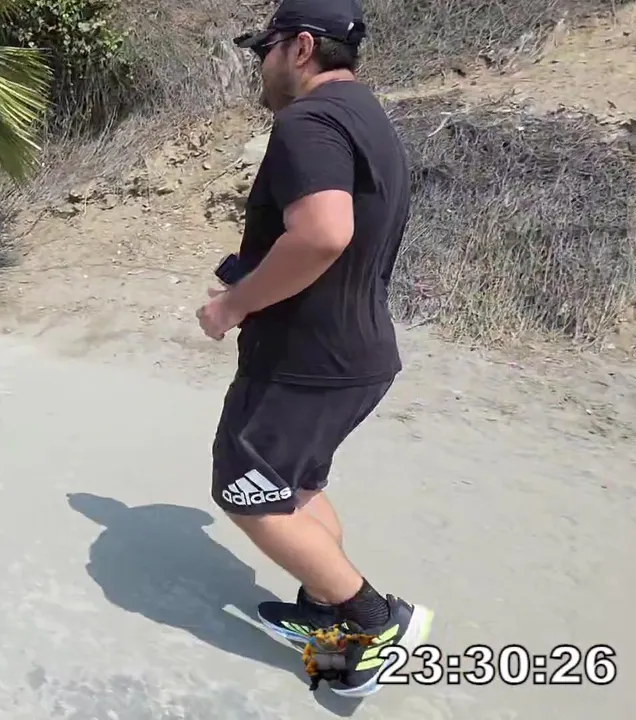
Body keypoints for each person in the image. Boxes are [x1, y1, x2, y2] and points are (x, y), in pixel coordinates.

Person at [195, 0, 431, 697]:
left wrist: (233, 305)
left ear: (300, 47)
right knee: (297, 488)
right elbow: (340, 238)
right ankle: (324, 615)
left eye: (264, 50)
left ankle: (376, 625)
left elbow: (325, 234)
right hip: (354, 355)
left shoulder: (308, 121)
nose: (260, 66)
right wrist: (254, 273)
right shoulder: (368, 117)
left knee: (246, 493)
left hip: (304, 362)